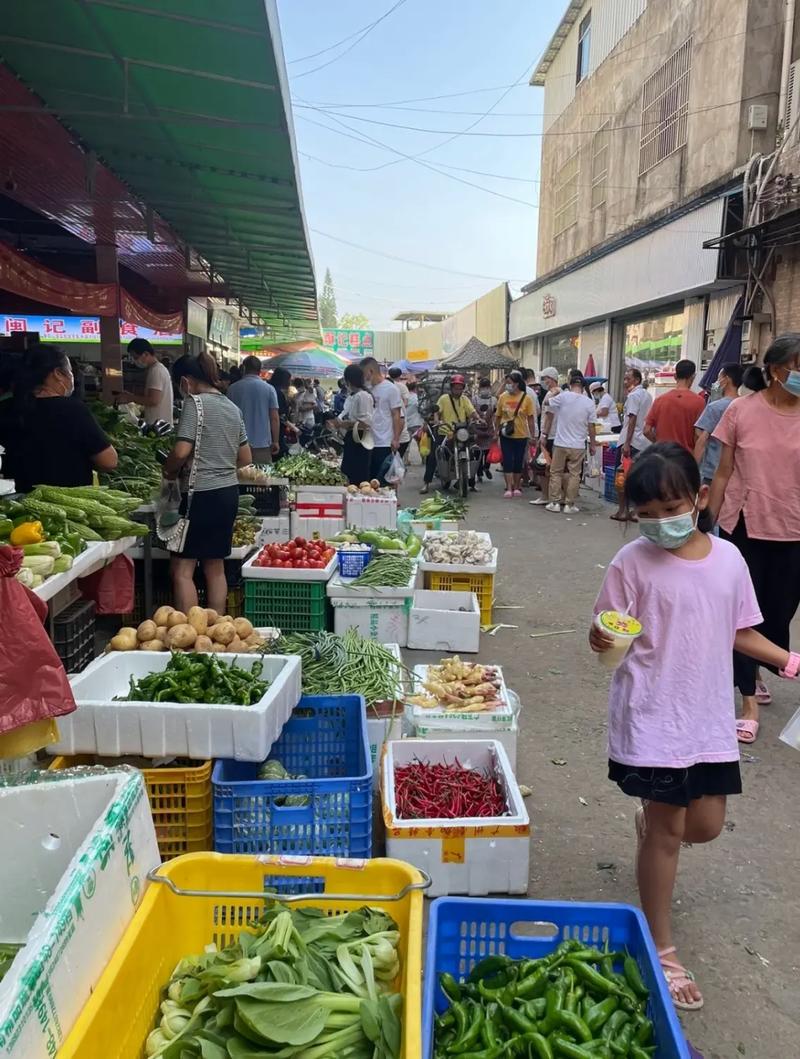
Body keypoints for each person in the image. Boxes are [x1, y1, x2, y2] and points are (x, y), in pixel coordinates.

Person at [591, 442, 798, 1011]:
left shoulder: (730, 559)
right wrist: (604, 638)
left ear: (700, 498)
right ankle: (663, 949)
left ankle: (650, 825)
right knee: (667, 832)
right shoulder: (629, 562)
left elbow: (739, 630)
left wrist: (789, 660)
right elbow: (608, 632)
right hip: (653, 715)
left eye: (672, 507)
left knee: (702, 826)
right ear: (633, 512)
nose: (661, 523)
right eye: (648, 514)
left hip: (707, 718)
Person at [708, 334, 800, 743]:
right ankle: (746, 698)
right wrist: (708, 519)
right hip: (744, 525)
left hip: (794, 528)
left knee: (779, 615)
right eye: (796, 365)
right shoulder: (741, 410)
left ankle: (763, 665)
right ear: (775, 370)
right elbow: (724, 470)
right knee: (744, 615)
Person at [162, 352, 252, 615]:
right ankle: (215, 630)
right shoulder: (232, 408)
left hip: (200, 494)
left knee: (182, 569)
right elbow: (245, 457)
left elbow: (180, 451)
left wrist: (168, 471)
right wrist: (220, 464)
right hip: (227, 494)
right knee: (215, 567)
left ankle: (190, 631)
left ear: (186, 380)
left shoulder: (195, 404)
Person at [6, 344, 118, 492]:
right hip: (69, 506)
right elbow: (108, 461)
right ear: (58, 373)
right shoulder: (72, 410)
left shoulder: (6, 409)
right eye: (70, 371)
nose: (72, 377)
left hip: (19, 506)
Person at [543, 369, 597, 513]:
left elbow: (547, 402)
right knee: (574, 474)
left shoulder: (563, 396)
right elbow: (592, 426)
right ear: (583, 386)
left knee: (556, 473)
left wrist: (554, 393)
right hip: (578, 445)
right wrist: (593, 444)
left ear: (570, 383)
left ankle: (554, 503)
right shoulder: (589, 403)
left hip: (560, 443)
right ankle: (569, 504)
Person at [420, 374, 478, 494]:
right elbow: (437, 411)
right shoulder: (444, 399)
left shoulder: (465, 399)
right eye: (456, 388)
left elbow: (472, 412)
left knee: (472, 453)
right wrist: (437, 420)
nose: (458, 390)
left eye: (460, 388)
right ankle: (426, 483)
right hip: (445, 432)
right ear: (451, 388)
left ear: (463, 388)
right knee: (433, 456)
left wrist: (478, 418)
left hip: (460, 432)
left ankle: (471, 483)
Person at [610, 366, 653, 522]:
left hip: (632, 441)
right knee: (639, 478)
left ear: (636, 380)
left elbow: (633, 418)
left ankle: (623, 510)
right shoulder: (647, 396)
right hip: (643, 442)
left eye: (628, 378)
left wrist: (627, 444)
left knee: (622, 476)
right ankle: (636, 510)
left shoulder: (634, 396)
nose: (625, 381)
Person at [693, 363, 744, 484]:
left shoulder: (715, 407)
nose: (717, 381)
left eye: (719, 377)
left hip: (713, 472)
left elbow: (701, 439)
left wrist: (693, 470)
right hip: (736, 473)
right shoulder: (746, 406)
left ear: (726, 379)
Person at [227, 355, 279, 464]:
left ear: (243, 368)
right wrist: (275, 441)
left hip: (238, 445)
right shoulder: (269, 389)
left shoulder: (232, 389)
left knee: (240, 477)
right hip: (263, 444)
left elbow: (228, 417)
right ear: (260, 370)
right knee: (262, 477)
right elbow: (274, 418)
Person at [359, 357, 403, 484]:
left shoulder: (391, 389)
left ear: (371, 371)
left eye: (364, 374)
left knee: (382, 482)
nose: (364, 378)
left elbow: (396, 415)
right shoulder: (367, 390)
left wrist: (396, 439)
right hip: (368, 441)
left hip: (384, 442)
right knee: (368, 480)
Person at [644, 360, 705, 450]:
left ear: (675, 376)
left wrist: (659, 443)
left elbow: (646, 430)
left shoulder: (660, 400)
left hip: (662, 456)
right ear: (693, 377)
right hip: (685, 457)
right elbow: (698, 434)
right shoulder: (700, 402)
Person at [494, 370, 536, 498]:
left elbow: (531, 419)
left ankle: (517, 487)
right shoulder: (503, 397)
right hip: (506, 435)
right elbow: (498, 416)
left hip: (521, 434)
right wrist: (496, 431)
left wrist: (532, 436)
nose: (507, 385)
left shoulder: (526, 398)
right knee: (507, 460)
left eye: (509, 383)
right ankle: (509, 487)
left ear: (517, 384)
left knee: (518, 461)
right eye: (507, 383)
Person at [337, 363, 374, 486]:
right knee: (348, 473)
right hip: (352, 437)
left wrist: (346, 423)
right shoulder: (353, 396)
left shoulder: (363, 396)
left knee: (357, 474)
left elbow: (366, 423)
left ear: (348, 380)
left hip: (359, 439)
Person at [123, 338, 174, 426]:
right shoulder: (156, 369)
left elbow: (153, 400)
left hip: (158, 426)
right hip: (158, 424)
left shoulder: (156, 371)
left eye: (136, 357)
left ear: (146, 354)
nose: (135, 361)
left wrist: (130, 398)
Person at [530, 366, 561, 505]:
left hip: (549, 435)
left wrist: (543, 435)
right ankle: (554, 496)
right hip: (557, 435)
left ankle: (545, 496)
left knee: (541, 466)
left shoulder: (551, 395)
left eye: (545, 378)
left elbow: (549, 416)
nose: (543, 381)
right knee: (553, 467)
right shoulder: (561, 393)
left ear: (551, 379)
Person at [270, 367, 297, 458]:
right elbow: (280, 416)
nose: (290, 383)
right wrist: (294, 428)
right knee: (279, 454)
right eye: (289, 380)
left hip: (268, 430)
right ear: (283, 380)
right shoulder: (277, 393)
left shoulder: (271, 389)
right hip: (276, 432)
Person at [473, 377, 497, 482]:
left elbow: (496, 414)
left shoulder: (494, 400)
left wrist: (496, 429)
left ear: (490, 388)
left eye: (487, 387)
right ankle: (479, 473)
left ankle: (486, 467)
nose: (485, 389)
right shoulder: (474, 399)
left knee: (488, 451)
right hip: (477, 429)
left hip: (489, 429)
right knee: (478, 452)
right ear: (479, 388)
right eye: (483, 387)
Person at [388, 366, 411, 457]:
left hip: (397, 436)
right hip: (400, 436)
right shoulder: (402, 386)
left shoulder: (389, 387)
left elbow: (400, 417)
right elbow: (406, 402)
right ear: (400, 375)